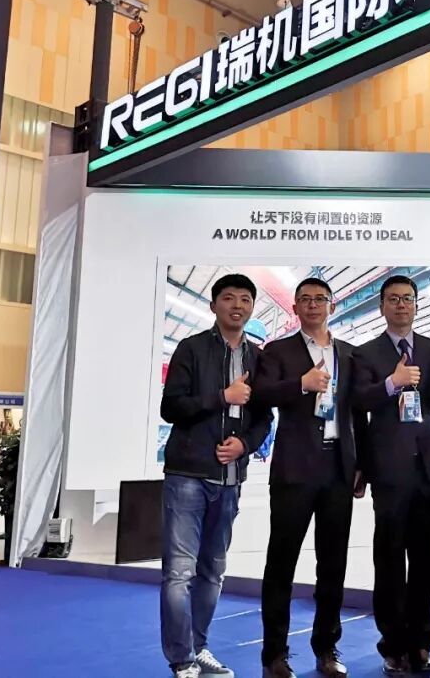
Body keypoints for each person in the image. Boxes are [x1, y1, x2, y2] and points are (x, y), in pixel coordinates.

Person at [159, 273, 273, 678]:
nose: (237, 305)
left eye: (245, 299)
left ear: (252, 307)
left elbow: (263, 418)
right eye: (228, 298)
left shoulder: (259, 359)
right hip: (187, 475)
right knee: (179, 572)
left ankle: (199, 647)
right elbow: (171, 407)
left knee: (212, 571)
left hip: (229, 478)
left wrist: (245, 445)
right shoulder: (191, 349)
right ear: (213, 305)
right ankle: (182, 659)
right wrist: (223, 397)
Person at [256, 278, 365, 678]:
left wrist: (362, 464)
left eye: (320, 299)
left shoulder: (349, 354)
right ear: (295, 308)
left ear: (332, 307)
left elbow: (358, 412)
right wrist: (300, 384)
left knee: (333, 564)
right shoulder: (278, 351)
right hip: (295, 469)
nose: (313, 305)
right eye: (305, 299)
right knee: (281, 563)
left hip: (338, 468)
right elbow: (262, 394)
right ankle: (274, 654)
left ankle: (327, 648)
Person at [353, 275, 430, 677]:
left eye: (407, 298)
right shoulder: (365, 353)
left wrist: (429, 439)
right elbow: (358, 400)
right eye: (392, 299)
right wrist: (392, 383)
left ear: (416, 305)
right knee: (390, 559)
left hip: (429, 468)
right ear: (381, 306)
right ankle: (393, 645)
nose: (401, 305)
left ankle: (421, 643)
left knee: (425, 558)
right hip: (389, 470)